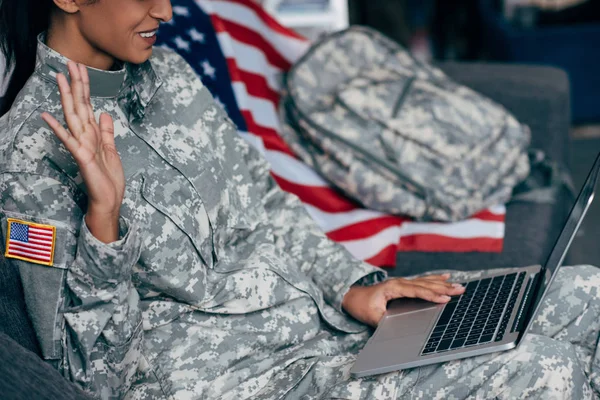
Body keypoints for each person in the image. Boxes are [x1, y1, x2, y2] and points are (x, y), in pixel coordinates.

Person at [1, 0, 600, 399]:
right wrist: (105, 223)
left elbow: (266, 204)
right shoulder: (26, 156)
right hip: (255, 380)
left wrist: (352, 286)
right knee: (547, 369)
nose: (165, 9)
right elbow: (88, 379)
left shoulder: (171, 75)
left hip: (323, 320)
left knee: (589, 296)